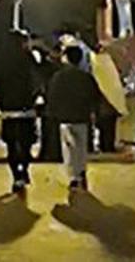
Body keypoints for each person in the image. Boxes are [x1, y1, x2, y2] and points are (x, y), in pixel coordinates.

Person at [0, 27, 43, 197]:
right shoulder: (28, 59)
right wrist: (36, 96)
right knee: (26, 142)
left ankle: (17, 176)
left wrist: (2, 94)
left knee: (11, 143)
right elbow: (37, 79)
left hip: (8, 108)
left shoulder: (1, 60)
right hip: (27, 107)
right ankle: (23, 169)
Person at [46, 43, 102, 195]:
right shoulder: (86, 77)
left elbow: (52, 96)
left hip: (65, 117)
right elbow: (95, 97)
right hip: (82, 117)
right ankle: (81, 172)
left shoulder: (59, 77)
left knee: (69, 148)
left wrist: (53, 113)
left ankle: (73, 177)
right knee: (81, 147)